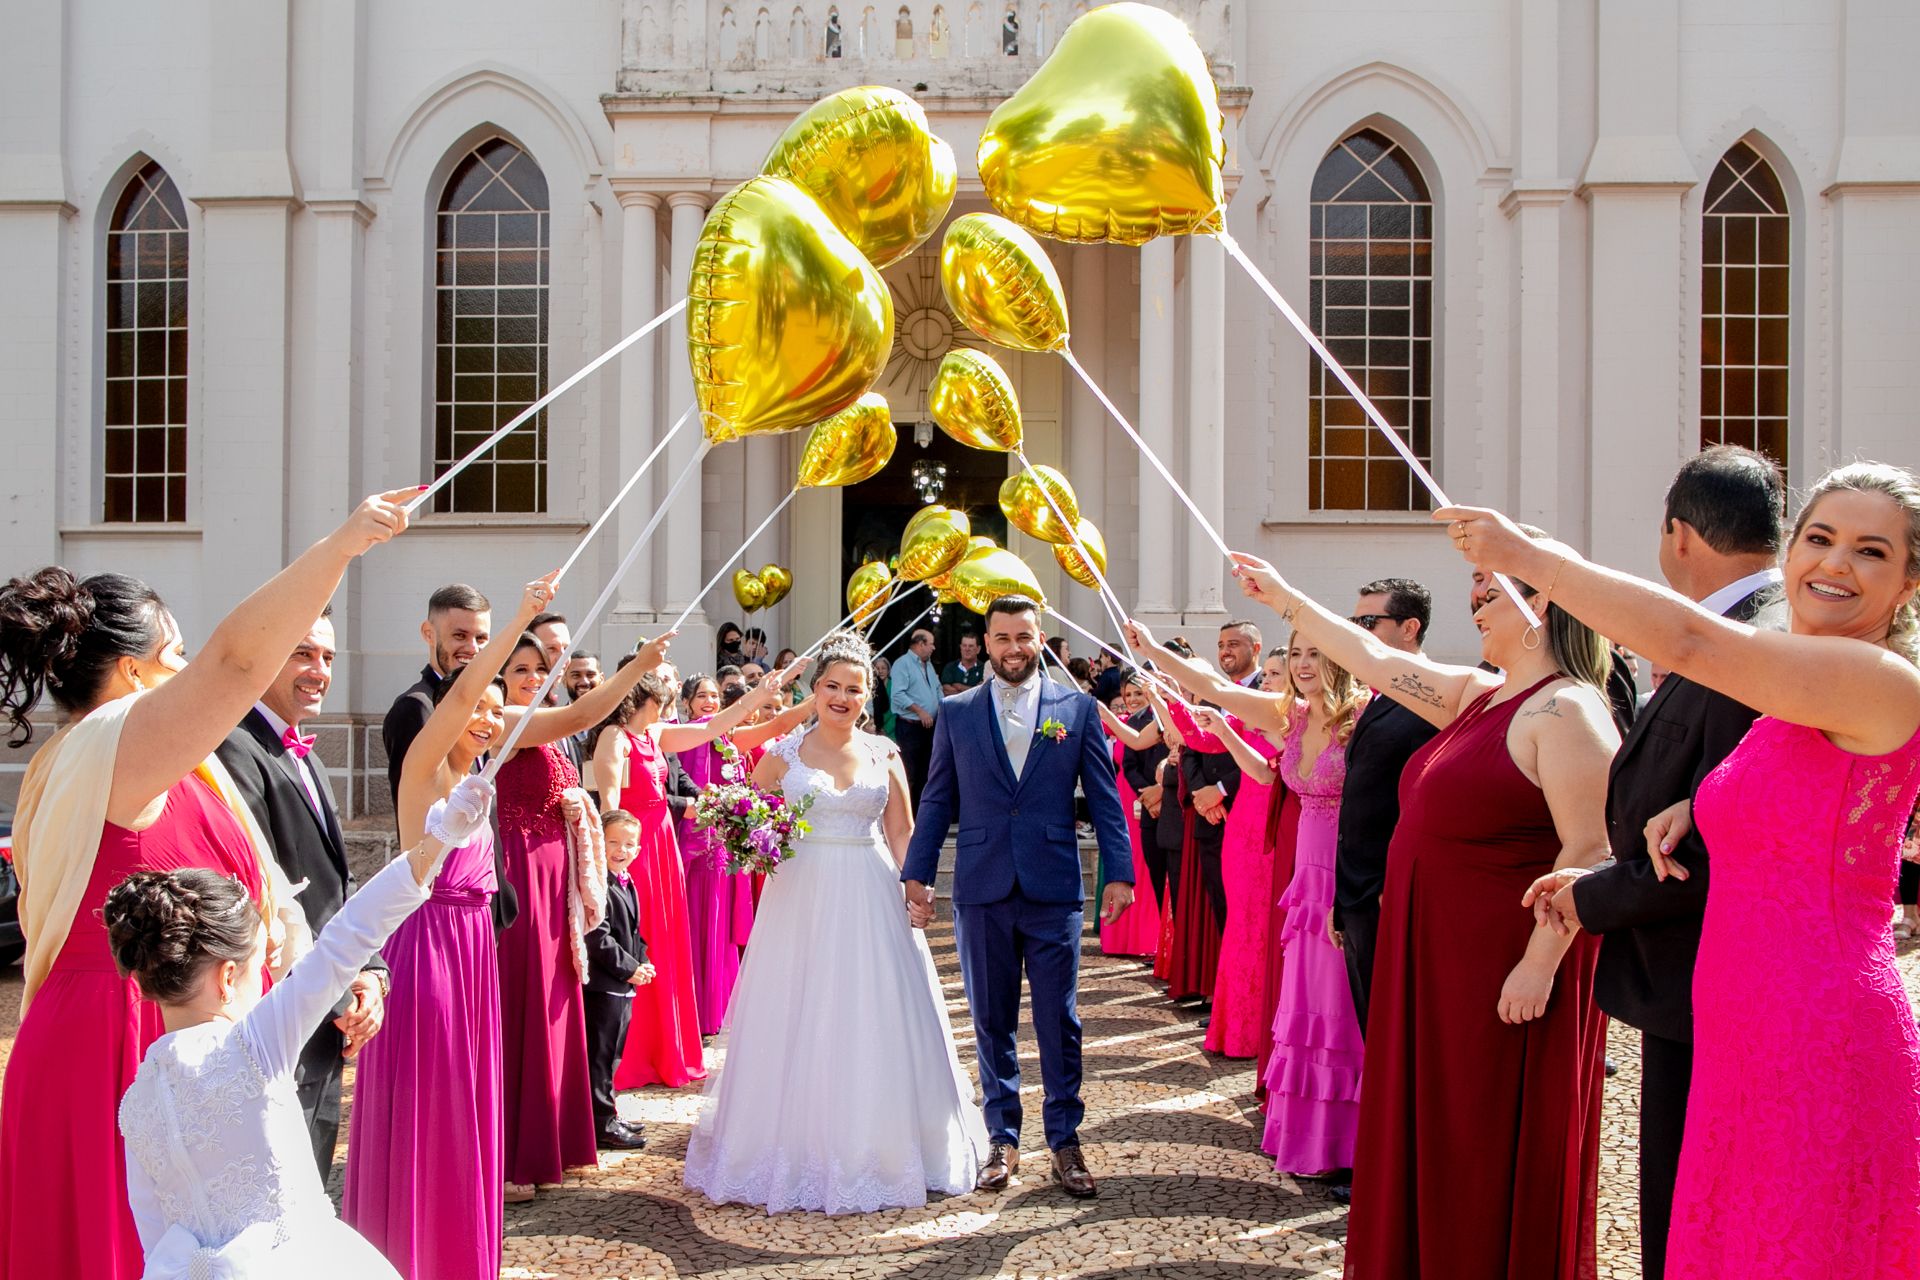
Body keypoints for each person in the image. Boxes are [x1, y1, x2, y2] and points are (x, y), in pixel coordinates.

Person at [1445, 459, 1920, 1279]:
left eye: (1871, 551)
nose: (1836, 563)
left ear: (1908, 584)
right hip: (1738, 1023)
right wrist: (1700, 808)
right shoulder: (1801, 680)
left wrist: (1532, 559)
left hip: (1813, 1027)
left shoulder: (1875, 675)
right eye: (1820, 538)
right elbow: (1798, 793)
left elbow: (1693, 640)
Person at [0, 491, 409, 1280]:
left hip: (191, 1033)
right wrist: (342, 546)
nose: (188, 672)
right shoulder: (109, 746)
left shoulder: (166, 763)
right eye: (174, 654)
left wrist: (328, 975)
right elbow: (236, 665)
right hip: (121, 1039)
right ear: (131, 671)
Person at [1229, 540, 1619, 1280]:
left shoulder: (1567, 708)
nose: (1475, 604)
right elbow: (1374, 661)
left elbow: (1591, 848)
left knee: (1477, 1140)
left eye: (1489, 592)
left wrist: (1539, 965)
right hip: (1434, 964)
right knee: (1433, 1130)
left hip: (1498, 974)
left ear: (1541, 605)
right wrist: (1284, 598)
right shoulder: (1481, 695)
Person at [1516, 445, 1779, 1279]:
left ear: (1679, 536)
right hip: (1692, 977)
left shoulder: (1749, 643)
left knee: (1694, 1206)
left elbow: (1717, 844)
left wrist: (1594, 896)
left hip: (1712, 978)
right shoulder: (1746, 632)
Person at [110, 775, 493, 1278]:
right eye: (260, 965)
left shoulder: (136, 1101)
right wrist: (437, 843)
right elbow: (347, 939)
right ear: (228, 977)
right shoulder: (252, 1047)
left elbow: (154, 1237)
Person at [346, 574, 611, 1276]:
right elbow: (463, 696)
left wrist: (641, 665)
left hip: (474, 948)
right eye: (480, 707)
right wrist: (519, 619)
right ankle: (407, 1246)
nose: (491, 718)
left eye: (500, 711)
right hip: (428, 942)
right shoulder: (424, 765)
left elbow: (572, 714)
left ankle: (458, 1248)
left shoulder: (480, 772)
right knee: (431, 1097)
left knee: (470, 1102)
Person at [684, 633, 988, 1212]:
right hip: (800, 893)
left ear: (868, 695)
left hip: (872, 889)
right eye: (832, 686)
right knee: (797, 1006)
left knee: (873, 1006)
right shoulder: (785, 752)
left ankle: (881, 1146)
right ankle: (791, 1149)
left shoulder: (885, 753)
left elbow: (902, 830)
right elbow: (742, 808)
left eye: (854, 689)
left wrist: (917, 886)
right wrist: (754, 841)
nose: (842, 698)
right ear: (815, 689)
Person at [902, 596, 1134, 1198]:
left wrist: (1120, 871)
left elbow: (1104, 795)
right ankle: (1001, 1137)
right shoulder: (956, 712)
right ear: (986, 640)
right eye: (1003, 637)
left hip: (1053, 885)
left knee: (1060, 1018)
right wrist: (916, 871)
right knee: (990, 1018)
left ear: (1039, 639)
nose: (1013, 648)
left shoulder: (1075, 708)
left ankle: (1065, 1140)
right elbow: (936, 798)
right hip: (982, 885)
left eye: (1024, 637)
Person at [491, 626, 689, 1199]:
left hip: (558, 874)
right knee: (528, 1002)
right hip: (523, 871)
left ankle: (557, 1136)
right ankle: (514, 1155)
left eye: (539, 669)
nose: (532, 678)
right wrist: (638, 669)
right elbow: (582, 716)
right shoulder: (507, 719)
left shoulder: (546, 725)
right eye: (520, 670)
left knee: (559, 1001)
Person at [214, 606, 387, 1178]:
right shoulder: (236, 747)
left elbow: (337, 884)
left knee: (312, 1168)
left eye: (328, 657)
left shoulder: (301, 752)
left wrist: (371, 973)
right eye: (303, 653)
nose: (320, 670)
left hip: (328, 993)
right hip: (286, 1002)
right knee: (284, 1177)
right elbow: (262, 892)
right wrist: (337, 998)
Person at [600, 670, 797, 1089]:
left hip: (663, 847)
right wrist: (615, 858)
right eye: (665, 697)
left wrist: (758, 694)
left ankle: (664, 1051)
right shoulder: (615, 738)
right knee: (640, 938)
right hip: (637, 850)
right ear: (647, 698)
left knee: (667, 943)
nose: (670, 703)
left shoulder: (655, 734)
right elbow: (610, 805)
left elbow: (712, 727)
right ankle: (633, 1054)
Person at [674, 672, 813, 1035]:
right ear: (686, 703)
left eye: (714, 696)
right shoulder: (680, 735)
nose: (709, 701)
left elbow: (779, 725)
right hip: (695, 846)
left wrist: (818, 697)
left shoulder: (729, 737)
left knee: (722, 927)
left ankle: (719, 1008)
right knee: (698, 924)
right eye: (701, 696)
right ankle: (695, 1011)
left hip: (725, 844)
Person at [1332, 579, 1440, 1036]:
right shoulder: (1379, 695)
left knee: (1396, 1030)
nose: (1358, 631)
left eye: (1369, 622)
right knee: (1373, 1027)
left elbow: (1425, 803)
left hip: (1390, 892)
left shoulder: (1433, 699)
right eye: (1354, 621)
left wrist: (1392, 885)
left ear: (1409, 628)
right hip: (1359, 892)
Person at [581, 809, 654, 1152]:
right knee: (600, 1058)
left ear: (637, 849)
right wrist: (629, 968)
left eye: (628, 844)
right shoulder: (599, 884)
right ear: (600, 842)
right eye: (613, 842)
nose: (621, 850)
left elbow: (634, 932)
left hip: (624, 985)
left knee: (614, 1057)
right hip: (604, 986)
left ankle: (610, 1113)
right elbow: (598, 937)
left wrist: (644, 961)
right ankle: (601, 1125)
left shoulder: (627, 880)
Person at [381, 584, 490, 805]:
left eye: (481, 639)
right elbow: (415, 808)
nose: (472, 648)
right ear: (428, 634)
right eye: (460, 635)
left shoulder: (486, 706)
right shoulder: (415, 708)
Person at [1094, 679, 1164, 957]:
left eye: (1138, 693)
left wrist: (1153, 794)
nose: (1133, 699)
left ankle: (1146, 938)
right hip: (1124, 796)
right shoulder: (1127, 721)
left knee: (1145, 868)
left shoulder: (1157, 719)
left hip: (1152, 794)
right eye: (1128, 694)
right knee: (1127, 860)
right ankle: (1119, 939)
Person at [890, 628, 942, 804]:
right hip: (910, 728)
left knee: (925, 774)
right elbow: (897, 695)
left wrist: (941, 708)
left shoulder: (928, 664)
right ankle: (905, 814)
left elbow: (937, 688)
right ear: (921, 644)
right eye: (931, 644)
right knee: (909, 774)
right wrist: (920, 711)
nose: (934, 648)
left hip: (929, 727)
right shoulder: (902, 664)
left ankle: (921, 813)